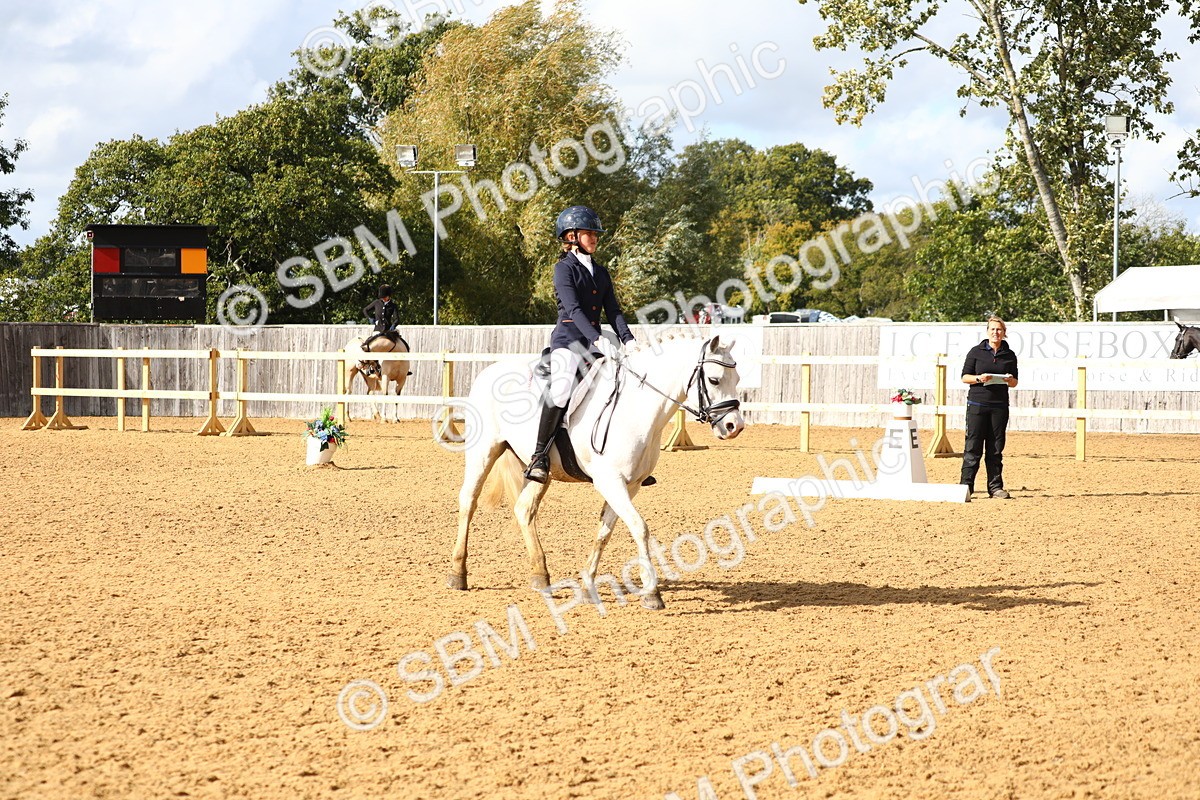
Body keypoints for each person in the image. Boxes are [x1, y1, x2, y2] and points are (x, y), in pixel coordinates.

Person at [524, 205, 640, 483]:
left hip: (595, 343)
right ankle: (539, 456)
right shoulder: (563, 269)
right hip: (569, 342)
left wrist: (628, 340)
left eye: (595, 234)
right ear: (572, 236)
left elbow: (613, 310)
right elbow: (574, 310)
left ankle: (628, 459)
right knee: (562, 389)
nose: (595, 238)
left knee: (623, 382)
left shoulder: (600, 272)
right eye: (589, 233)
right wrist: (597, 337)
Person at [960, 316, 1019, 499]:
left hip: (999, 406)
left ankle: (995, 487)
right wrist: (979, 378)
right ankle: (966, 487)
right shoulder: (975, 352)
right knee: (973, 447)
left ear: (1004, 333)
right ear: (987, 332)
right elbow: (964, 377)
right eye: (993, 329)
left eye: (999, 330)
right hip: (977, 404)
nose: (996, 333)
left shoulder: (1009, 355)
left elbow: (1015, 382)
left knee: (995, 448)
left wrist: (1009, 380)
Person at [361, 284, 399, 376]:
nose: (383, 299)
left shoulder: (393, 306)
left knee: (399, 344)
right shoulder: (376, 302)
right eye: (382, 297)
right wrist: (369, 318)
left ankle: (402, 366)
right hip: (377, 329)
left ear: (389, 296)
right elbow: (365, 310)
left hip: (388, 331)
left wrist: (393, 325)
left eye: (384, 297)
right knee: (368, 345)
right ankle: (370, 366)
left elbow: (397, 318)